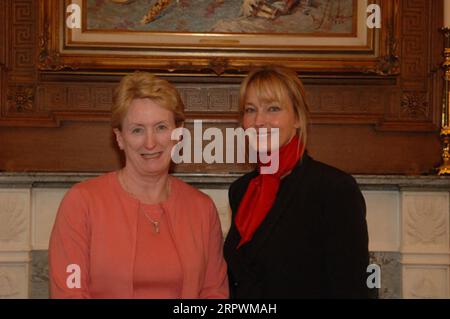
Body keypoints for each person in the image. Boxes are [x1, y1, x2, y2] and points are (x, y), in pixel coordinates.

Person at [49, 72, 229, 299]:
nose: (150, 142)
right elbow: (69, 292)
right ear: (120, 138)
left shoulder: (202, 209)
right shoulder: (81, 203)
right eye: (137, 130)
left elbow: (215, 291)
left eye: (161, 127)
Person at [223, 66, 371, 298]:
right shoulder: (241, 190)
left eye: (273, 108)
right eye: (250, 110)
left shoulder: (333, 189)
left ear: (298, 118)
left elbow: (351, 289)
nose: (258, 121)